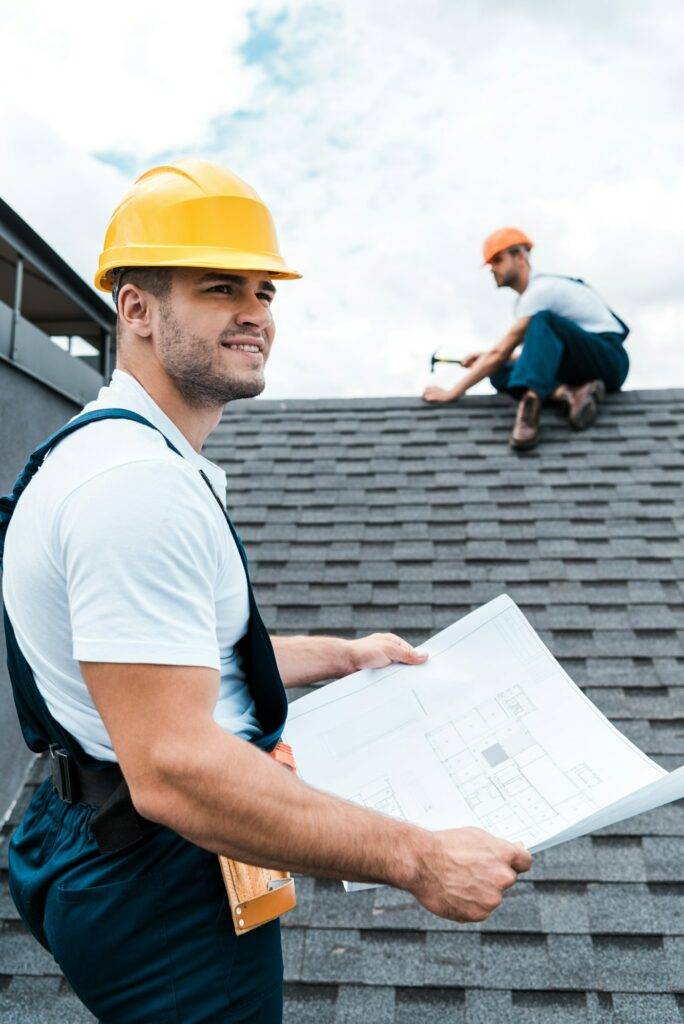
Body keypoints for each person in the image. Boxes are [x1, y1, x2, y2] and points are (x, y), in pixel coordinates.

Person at [0, 160, 531, 1024]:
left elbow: (162, 662)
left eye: (265, 290)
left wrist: (344, 656)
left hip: (95, 833)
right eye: (219, 287)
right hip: (160, 871)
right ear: (135, 308)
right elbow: (175, 768)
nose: (255, 312)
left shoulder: (108, 452)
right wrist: (418, 856)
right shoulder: (134, 488)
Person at [423, 227, 630, 450]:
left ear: (520, 256)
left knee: (542, 322)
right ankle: (568, 393)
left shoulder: (541, 290)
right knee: (499, 373)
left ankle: (530, 406)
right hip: (580, 367)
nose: (493, 269)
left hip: (609, 359)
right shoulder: (528, 300)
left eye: (498, 260)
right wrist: (487, 360)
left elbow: (500, 353)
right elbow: (537, 354)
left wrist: (452, 392)